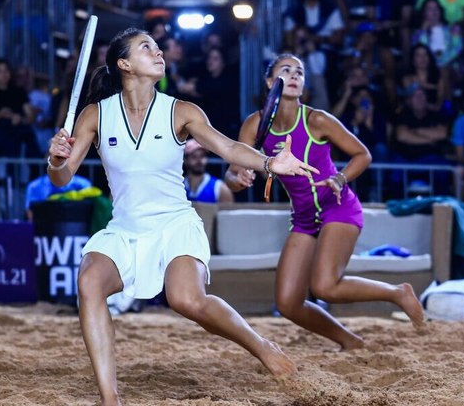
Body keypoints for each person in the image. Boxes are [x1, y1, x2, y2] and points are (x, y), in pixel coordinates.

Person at [46, 28, 315, 404]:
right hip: (125, 229)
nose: (158, 53)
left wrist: (270, 163)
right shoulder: (95, 115)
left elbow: (228, 147)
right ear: (124, 63)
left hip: (175, 224)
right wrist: (55, 158)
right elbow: (61, 177)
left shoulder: (181, 111)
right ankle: (111, 398)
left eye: (158, 48)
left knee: (187, 300)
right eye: (147, 48)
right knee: (89, 281)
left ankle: (263, 346)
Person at [225, 54, 425, 352]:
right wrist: (237, 177)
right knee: (288, 303)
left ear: (303, 84)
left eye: (299, 72)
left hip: (338, 206)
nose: (294, 76)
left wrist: (341, 179)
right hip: (304, 216)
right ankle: (350, 341)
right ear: (270, 81)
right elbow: (231, 173)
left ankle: (398, 293)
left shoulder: (317, 119)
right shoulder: (255, 125)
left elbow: (363, 155)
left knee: (324, 287)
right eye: (286, 70)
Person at [183, 139, 233, 204]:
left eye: (202, 156)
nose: (199, 161)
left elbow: (228, 213)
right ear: (185, 160)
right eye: (194, 157)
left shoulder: (220, 188)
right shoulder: (178, 187)